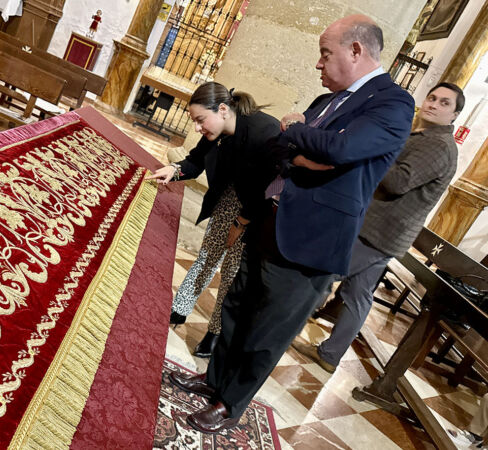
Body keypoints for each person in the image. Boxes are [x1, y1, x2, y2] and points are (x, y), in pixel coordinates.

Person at [169, 14, 415, 433]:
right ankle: (214, 382)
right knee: (236, 308)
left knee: (266, 329)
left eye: (326, 53)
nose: (318, 63)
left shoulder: (392, 103)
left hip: (312, 239)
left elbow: (341, 149)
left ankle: (230, 404)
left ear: (356, 50)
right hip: (270, 218)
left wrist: (299, 129)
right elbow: (280, 147)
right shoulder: (326, 101)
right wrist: (301, 151)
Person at [293, 82, 464, 373]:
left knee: (321, 274)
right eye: (432, 97)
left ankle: (286, 328)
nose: (434, 104)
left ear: (455, 115)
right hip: (383, 232)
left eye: (444, 103)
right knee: (357, 295)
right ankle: (330, 355)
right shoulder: (423, 136)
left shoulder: (438, 145)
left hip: (378, 232)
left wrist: (374, 150)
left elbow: (398, 182)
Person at [147, 82, 281, 358]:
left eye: (200, 120)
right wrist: (174, 169)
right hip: (230, 198)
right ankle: (180, 308)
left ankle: (216, 331)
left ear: (222, 109)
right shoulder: (215, 131)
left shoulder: (264, 131)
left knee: (231, 273)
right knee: (207, 255)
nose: (197, 128)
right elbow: (195, 161)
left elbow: (267, 188)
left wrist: (240, 223)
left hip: (256, 211)